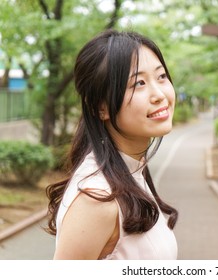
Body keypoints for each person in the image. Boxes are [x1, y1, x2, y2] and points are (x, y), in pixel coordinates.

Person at [46, 29, 178, 260]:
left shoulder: (131, 169)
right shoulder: (97, 198)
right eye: (138, 83)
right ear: (101, 107)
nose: (159, 94)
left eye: (161, 77)